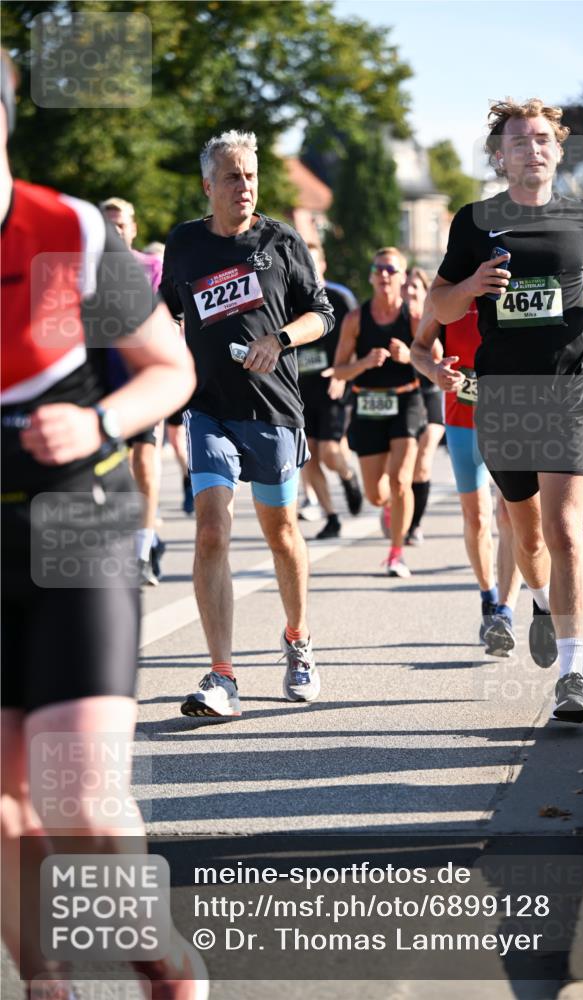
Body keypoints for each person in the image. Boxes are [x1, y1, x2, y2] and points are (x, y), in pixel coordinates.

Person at [0, 51, 201, 998]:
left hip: (74, 522)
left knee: (74, 797)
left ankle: (166, 968)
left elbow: (169, 368)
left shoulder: (65, 229)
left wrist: (99, 419)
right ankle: (47, 986)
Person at [428, 98, 583, 724]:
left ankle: (573, 675)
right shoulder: (474, 222)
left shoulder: (582, 216)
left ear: (557, 148)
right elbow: (439, 305)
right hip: (503, 395)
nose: (532, 149)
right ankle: (541, 604)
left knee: (565, 528)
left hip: (570, 390)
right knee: (525, 531)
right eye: (519, 141)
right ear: (500, 156)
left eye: (543, 139)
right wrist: (467, 290)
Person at [159, 129, 334, 718]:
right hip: (208, 408)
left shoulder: (281, 240)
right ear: (208, 184)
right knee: (211, 529)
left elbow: (321, 314)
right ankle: (222, 675)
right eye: (232, 176)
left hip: (273, 410)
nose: (244, 186)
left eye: (251, 175)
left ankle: (299, 640)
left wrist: (279, 339)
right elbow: (168, 311)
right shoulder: (184, 243)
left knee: (281, 532)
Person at [411, 299, 522, 654]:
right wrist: (434, 371)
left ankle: (505, 611)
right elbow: (419, 350)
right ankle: (489, 597)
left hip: (513, 419)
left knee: (510, 516)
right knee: (476, 518)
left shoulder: (516, 283)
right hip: (462, 420)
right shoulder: (449, 293)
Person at [333, 247, 426, 578]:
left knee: (402, 479)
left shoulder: (414, 316)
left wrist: (409, 357)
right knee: (376, 494)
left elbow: (436, 360)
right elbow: (339, 371)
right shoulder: (356, 319)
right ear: (372, 276)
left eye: (391, 269)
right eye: (379, 268)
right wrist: (363, 363)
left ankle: (396, 553)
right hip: (367, 404)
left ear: (402, 278)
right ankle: (388, 507)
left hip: (406, 402)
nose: (384, 274)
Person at [100, 197, 167, 584]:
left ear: (134, 228)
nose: (115, 231)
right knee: (114, 470)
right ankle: (144, 538)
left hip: (145, 380)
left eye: (121, 224)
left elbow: (169, 317)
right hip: (104, 383)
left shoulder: (152, 267)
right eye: (108, 225)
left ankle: (141, 552)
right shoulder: (86, 271)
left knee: (144, 461)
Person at [297, 242, 362, 540]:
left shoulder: (339, 297)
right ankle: (331, 516)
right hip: (300, 389)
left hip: (334, 386)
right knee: (308, 456)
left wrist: (343, 373)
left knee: (330, 453)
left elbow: (356, 338)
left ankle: (348, 476)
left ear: (322, 265)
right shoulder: (288, 298)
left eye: (313, 261)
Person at [401, 267, 445, 546]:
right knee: (402, 467)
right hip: (402, 400)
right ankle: (399, 506)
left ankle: (415, 525)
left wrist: (410, 356)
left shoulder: (428, 318)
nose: (410, 292)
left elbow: (438, 357)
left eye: (415, 287)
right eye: (405, 287)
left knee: (423, 461)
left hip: (429, 395)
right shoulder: (392, 317)